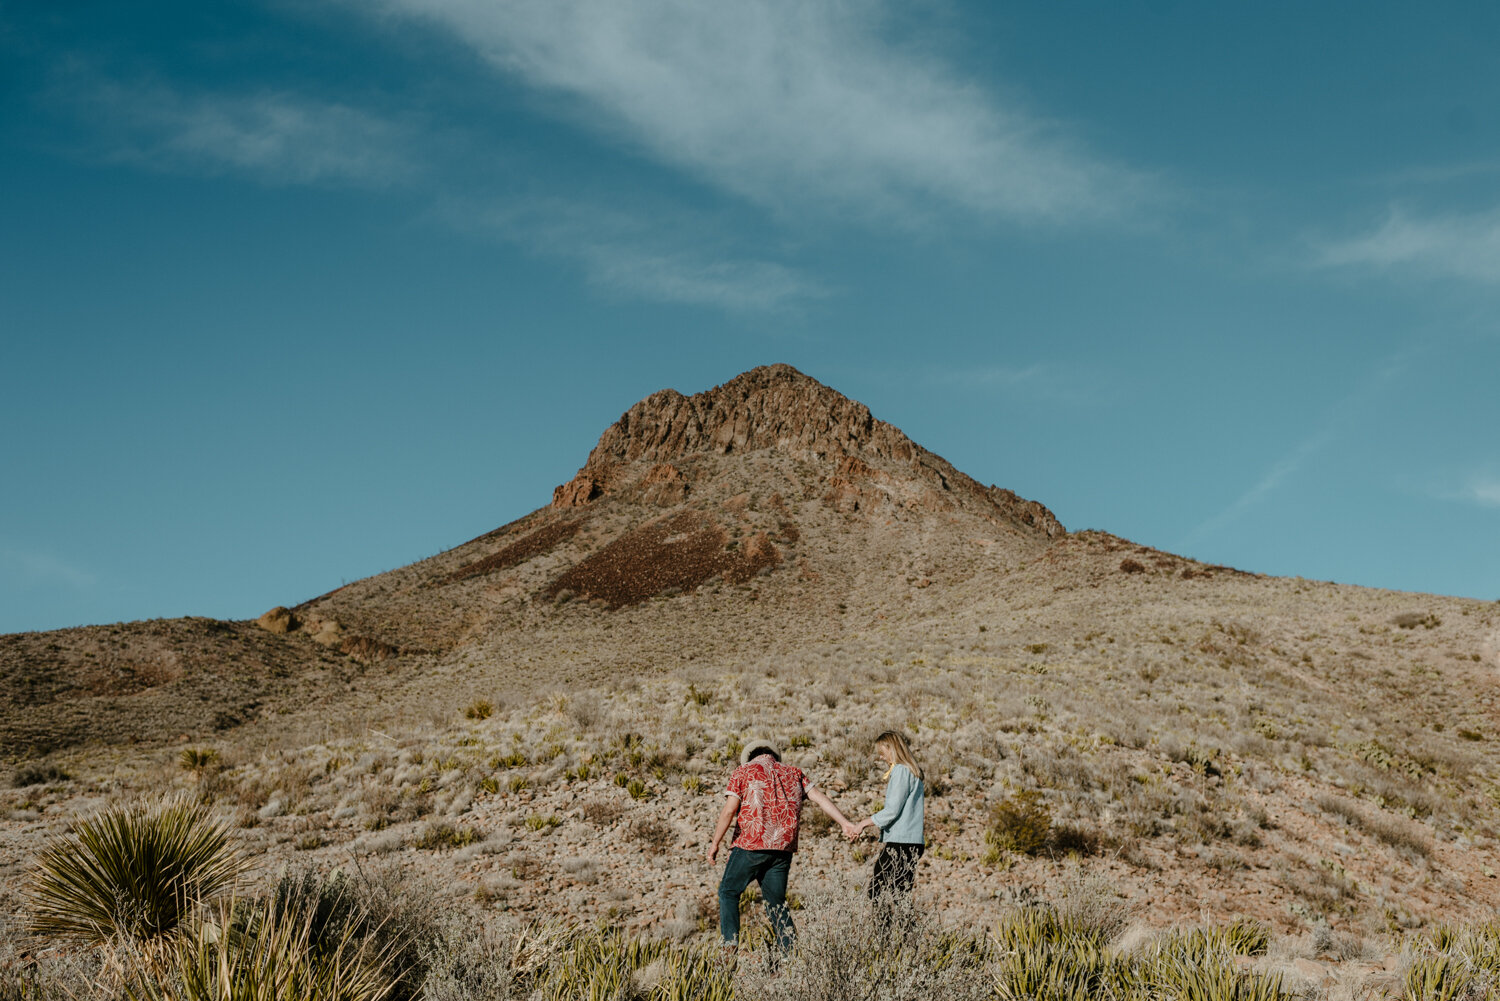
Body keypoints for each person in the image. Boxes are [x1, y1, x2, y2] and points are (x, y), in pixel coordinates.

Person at [707, 737, 858, 957]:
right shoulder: (795, 773)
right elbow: (819, 798)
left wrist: (715, 843)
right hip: (782, 849)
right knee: (776, 903)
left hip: (750, 845)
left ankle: (729, 946)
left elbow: (730, 810)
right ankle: (789, 956)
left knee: (728, 892)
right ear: (775, 756)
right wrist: (845, 823)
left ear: (750, 757)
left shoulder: (743, 771)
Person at [848, 730, 926, 903]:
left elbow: (892, 810)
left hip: (900, 843)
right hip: (913, 842)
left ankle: (885, 930)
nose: (882, 758)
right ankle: (901, 929)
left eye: (883, 753)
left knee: (877, 892)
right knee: (899, 896)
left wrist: (863, 823)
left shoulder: (901, 771)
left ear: (892, 749)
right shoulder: (913, 772)